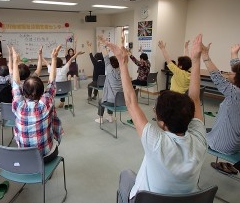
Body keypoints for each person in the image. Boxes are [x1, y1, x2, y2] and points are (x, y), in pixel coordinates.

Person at [102, 34, 207, 203]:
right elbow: (195, 99)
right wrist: (196, 60)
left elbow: (130, 102)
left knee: (126, 175)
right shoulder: (200, 139)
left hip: (147, 200)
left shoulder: (156, 142)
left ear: (162, 124)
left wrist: (122, 62)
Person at [11, 45, 63, 163]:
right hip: (46, 157)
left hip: (25, 157)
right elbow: (52, 82)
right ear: (42, 92)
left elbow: (15, 83)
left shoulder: (18, 104)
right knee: (53, 138)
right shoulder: (45, 103)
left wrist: (15, 61)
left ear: (23, 91)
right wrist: (54, 59)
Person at [202, 44, 240, 156]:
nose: (228, 73)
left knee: (193, 133)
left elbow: (217, 77)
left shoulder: (235, 93)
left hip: (222, 144)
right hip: (235, 143)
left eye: (231, 72)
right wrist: (234, 54)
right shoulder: (236, 92)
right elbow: (237, 69)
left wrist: (205, 57)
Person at [95, 37, 123, 124]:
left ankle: (100, 118)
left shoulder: (109, 69)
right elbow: (122, 58)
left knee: (102, 100)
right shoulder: (121, 70)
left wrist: (104, 44)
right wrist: (122, 44)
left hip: (111, 101)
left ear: (110, 64)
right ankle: (110, 117)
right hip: (120, 101)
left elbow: (105, 56)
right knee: (109, 97)